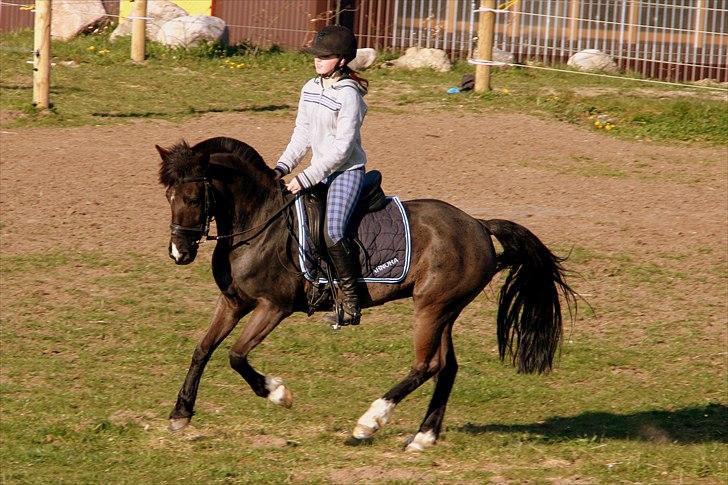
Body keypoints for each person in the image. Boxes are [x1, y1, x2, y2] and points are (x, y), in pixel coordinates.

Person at [273, 25, 369, 326]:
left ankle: (351, 302)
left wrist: (306, 177)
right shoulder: (310, 88)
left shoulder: (349, 95)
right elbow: (301, 134)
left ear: (342, 60)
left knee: (333, 231)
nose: (317, 61)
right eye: (316, 55)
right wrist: (281, 167)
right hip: (319, 172)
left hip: (345, 173)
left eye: (324, 56)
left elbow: (342, 149)